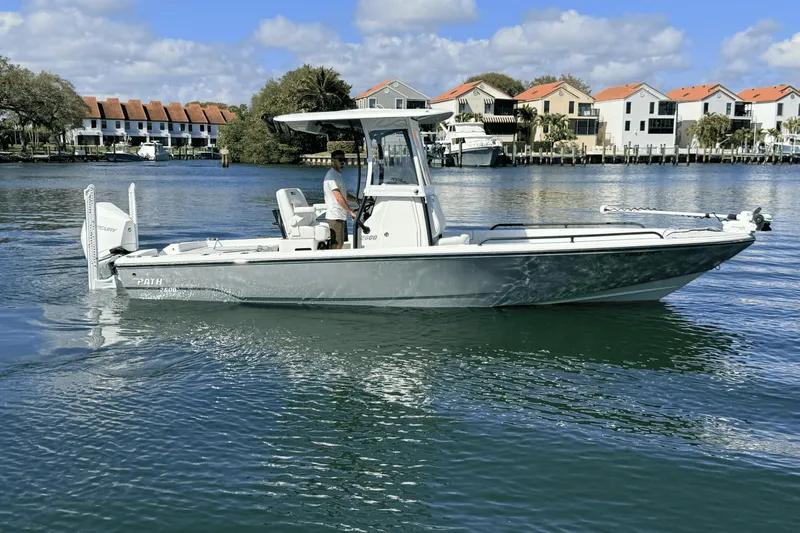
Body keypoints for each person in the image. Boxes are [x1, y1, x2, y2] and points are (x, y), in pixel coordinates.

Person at [323, 150, 359, 249]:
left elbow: (345, 196)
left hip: (341, 216)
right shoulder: (331, 176)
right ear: (332, 160)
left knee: (340, 244)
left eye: (344, 159)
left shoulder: (338, 176)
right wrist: (351, 212)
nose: (342, 162)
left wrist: (359, 201)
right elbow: (338, 197)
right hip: (335, 216)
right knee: (336, 245)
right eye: (340, 159)